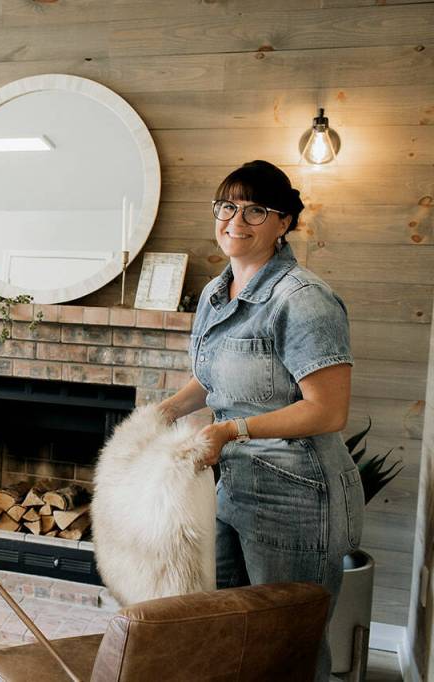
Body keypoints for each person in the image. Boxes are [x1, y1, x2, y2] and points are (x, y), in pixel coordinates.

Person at [157, 160, 364, 681]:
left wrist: (232, 431)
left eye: (255, 210)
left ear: (284, 223)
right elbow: (215, 379)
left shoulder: (303, 299)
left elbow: (328, 409)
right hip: (233, 488)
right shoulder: (214, 292)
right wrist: (166, 410)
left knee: (286, 650)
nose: (236, 220)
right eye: (227, 206)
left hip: (298, 497)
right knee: (230, 634)